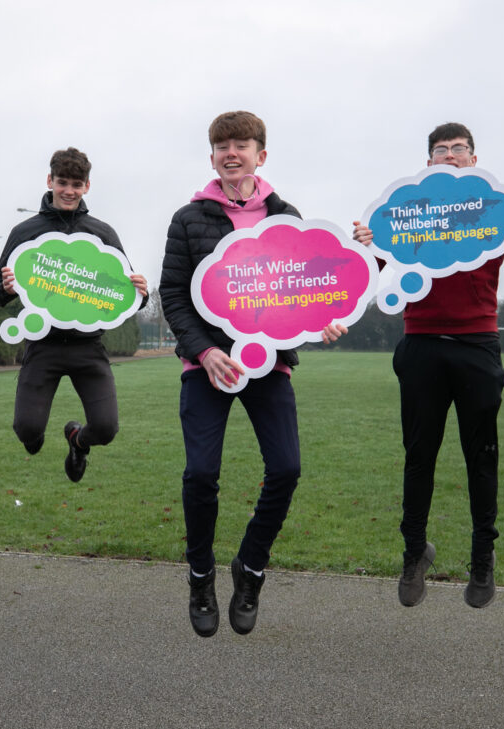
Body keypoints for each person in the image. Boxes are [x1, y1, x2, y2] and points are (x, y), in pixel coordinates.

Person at [352, 122, 504, 609]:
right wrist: (367, 244)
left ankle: (482, 559)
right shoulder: (407, 210)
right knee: (419, 455)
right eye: (440, 150)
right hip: (421, 345)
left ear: (473, 158)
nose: (449, 155)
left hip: (477, 346)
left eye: (458, 149)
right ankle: (413, 553)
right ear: (428, 164)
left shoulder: (498, 208)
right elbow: (373, 276)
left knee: (481, 456)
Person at [159, 111, 346, 637]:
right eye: (221, 146)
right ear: (212, 157)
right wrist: (204, 352)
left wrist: (321, 321)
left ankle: (251, 567)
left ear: (261, 154)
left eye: (241, 144)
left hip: (270, 366)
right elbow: (173, 295)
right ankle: (200, 578)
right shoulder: (188, 219)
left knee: (286, 469)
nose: (231, 153)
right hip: (208, 367)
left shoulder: (287, 216)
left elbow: (305, 290)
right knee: (200, 475)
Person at [0, 147, 147, 482]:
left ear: (87, 185)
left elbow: (126, 297)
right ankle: (35, 433)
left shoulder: (101, 233)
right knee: (27, 431)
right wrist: (8, 288)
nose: (69, 190)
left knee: (105, 428)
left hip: (88, 347)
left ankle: (77, 440)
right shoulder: (25, 232)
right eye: (62, 182)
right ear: (50, 181)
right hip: (42, 346)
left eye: (77, 183)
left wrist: (141, 292)